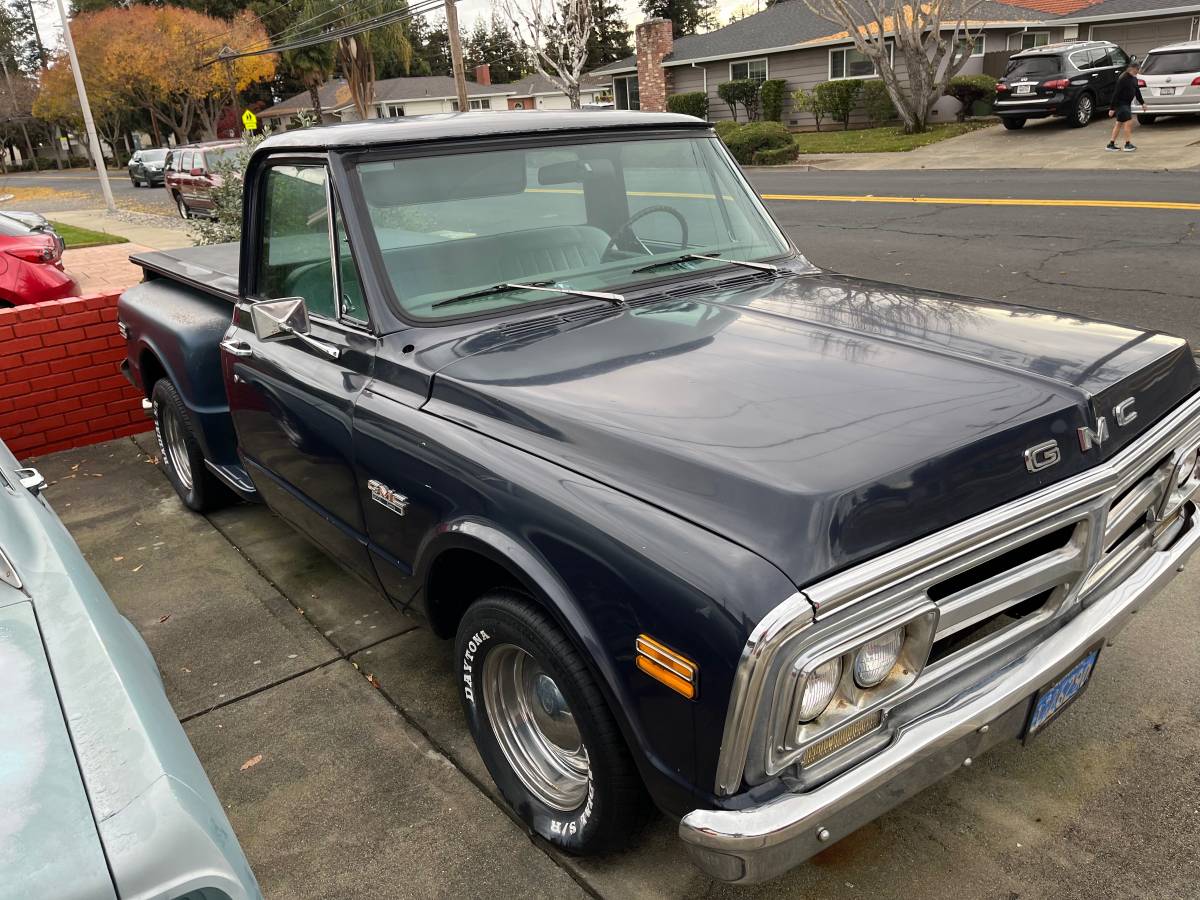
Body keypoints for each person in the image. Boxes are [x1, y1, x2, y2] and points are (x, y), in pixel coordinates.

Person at [1107, 61, 1145, 152]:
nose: (1138, 71)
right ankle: (1127, 144)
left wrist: (1143, 103)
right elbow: (1116, 93)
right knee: (1128, 122)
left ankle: (1111, 144)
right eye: (1137, 69)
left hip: (1127, 104)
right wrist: (1112, 108)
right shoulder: (1123, 78)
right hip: (1121, 103)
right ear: (1132, 68)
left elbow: (1137, 92)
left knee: (1119, 123)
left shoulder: (1134, 79)